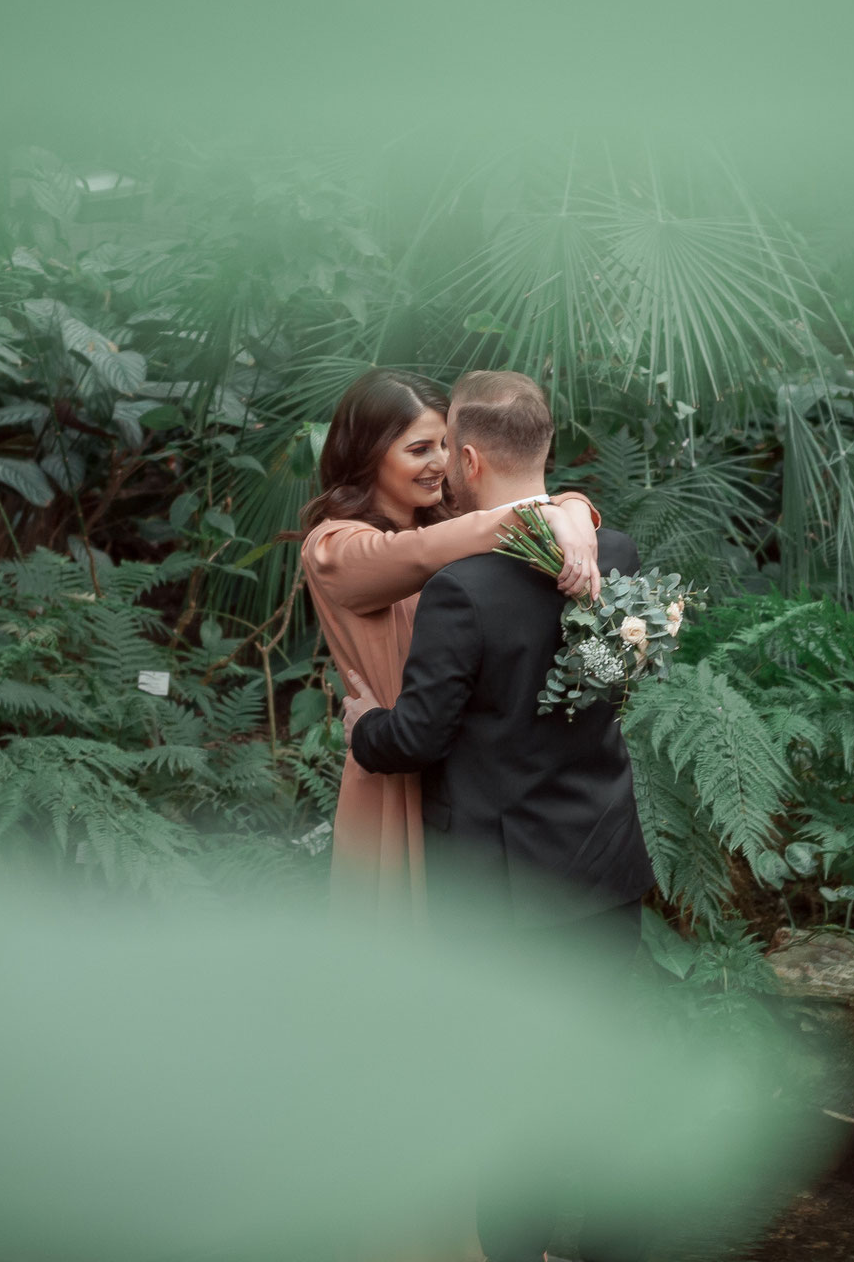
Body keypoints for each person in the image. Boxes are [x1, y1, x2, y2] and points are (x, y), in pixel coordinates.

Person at [342, 370, 656, 1262]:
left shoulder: (463, 589)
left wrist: (366, 726)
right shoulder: (619, 556)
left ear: (471, 458)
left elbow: (420, 734)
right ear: (547, 448)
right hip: (602, 869)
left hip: (503, 897)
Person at [298, 368, 603, 926]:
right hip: (396, 764)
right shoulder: (333, 548)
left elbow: (495, 510)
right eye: (419, 448)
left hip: (470, 779)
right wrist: (554, 511)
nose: (442, 461)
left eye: (445, 443)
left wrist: (575, 507)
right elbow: (414, 555)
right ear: (368, 455)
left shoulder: (459, 524)